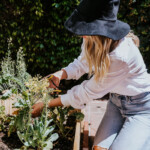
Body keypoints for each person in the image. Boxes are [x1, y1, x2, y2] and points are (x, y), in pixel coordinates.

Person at [32, 0, 150, 149]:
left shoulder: (121, 56)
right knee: (98, 148)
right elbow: (81, 63)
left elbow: (86, 93)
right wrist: (60, 74)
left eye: (85, 29)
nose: (81, 35)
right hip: (115, 103)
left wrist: (46, 104)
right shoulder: (93, 39)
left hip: (142, 108)